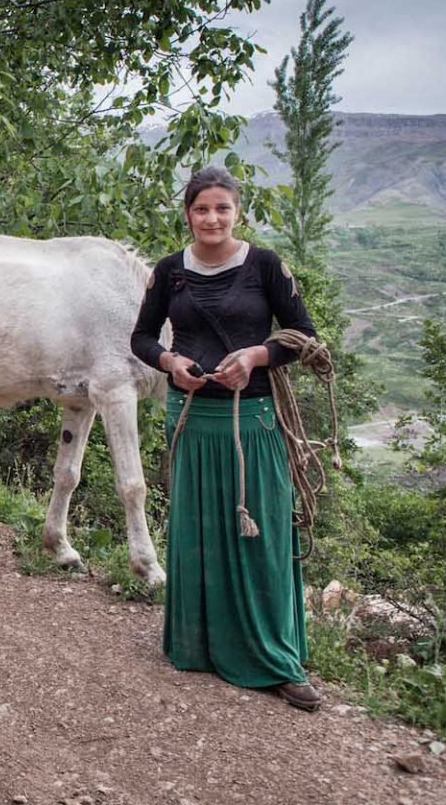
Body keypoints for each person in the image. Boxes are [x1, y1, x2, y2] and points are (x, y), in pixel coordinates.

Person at [130, 166, 323, 712]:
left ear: (237, 212)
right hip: (191, 419)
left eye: (222, 208)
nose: (212, 218)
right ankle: (199, 646)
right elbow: (141, 337)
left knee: (259, 538)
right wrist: (170, 362)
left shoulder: (264, 266)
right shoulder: (169, 272)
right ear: (187, 214)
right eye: (201, 209)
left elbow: (305, 336)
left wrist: (257, 355)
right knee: (198, 533)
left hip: (253, 420)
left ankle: (277, 660)